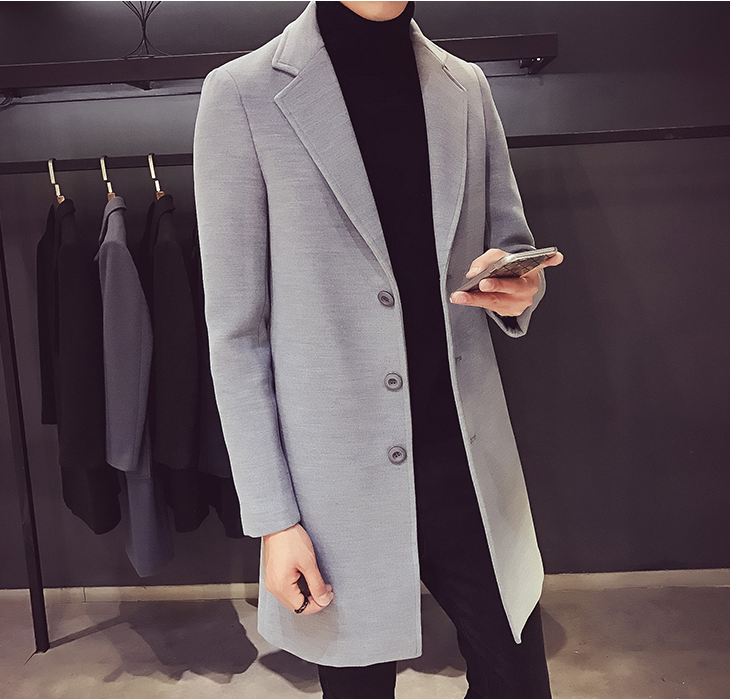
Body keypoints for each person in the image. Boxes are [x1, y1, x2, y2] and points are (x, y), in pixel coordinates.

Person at [193, 1, 563, 697]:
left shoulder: (465, 87)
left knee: (518, 679)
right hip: (336, 484)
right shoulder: (241, 94)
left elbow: (510, 244)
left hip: (467, 460)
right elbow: (236, 336)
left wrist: (521, 287)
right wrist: (274, 519)